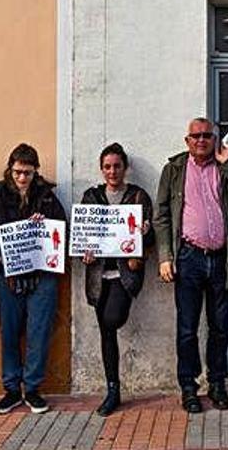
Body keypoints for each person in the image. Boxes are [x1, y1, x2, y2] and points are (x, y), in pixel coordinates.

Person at [153, 117, 228, 413]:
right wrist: (165, 256)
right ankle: (188, 387)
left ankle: (218, 385)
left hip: (223, 259)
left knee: (219, 328)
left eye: (206, 136)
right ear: (187, 141)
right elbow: (161, 215)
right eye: (195, 136)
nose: (201, 140)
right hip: (189, 259)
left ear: (215, 139)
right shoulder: (174, 170)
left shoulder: (224, 167)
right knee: (187, 328)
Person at [0, 143, 66, 415]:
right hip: (9, 276)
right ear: (10, 170)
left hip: (43, 276)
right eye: (17, 172)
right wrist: (0, 253)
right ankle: (12, 389)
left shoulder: (49, 198)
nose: (22, 178)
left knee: (39, 332)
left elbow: (61, 231)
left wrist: (45, 223)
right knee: (10, 331)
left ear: (36, 171)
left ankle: (33, 388)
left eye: (27, 172)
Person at [80, 143, 154, 416]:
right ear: (102, 169)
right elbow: (83, 235)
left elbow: (151, 238)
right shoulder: (91, 196)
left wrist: (144, 233)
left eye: (117, 166)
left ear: (125, 168)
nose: (112, 171)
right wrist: (84, 253)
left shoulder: (137, 196)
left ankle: (113, 389)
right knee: (106, 333)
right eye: (107, 167)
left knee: (113, 319)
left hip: (124, 275)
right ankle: (113, 389)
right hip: (99, 276)